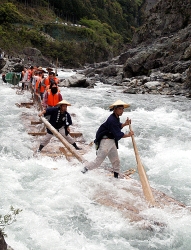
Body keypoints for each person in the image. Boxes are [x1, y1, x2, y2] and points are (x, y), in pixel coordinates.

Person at [81, 100, 134, 178]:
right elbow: (117, 134)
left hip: (111, 141)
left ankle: (116, 178)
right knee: (98, 162)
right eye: (120, 109)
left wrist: (125, 124)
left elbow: (117, 126)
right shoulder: (111, 119)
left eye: (122, 109)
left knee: (116, 161)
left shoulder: (115, 118)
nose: (122, 111)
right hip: (106, 141)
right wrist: (128, 135)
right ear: (115, 109)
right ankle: (84, 170)